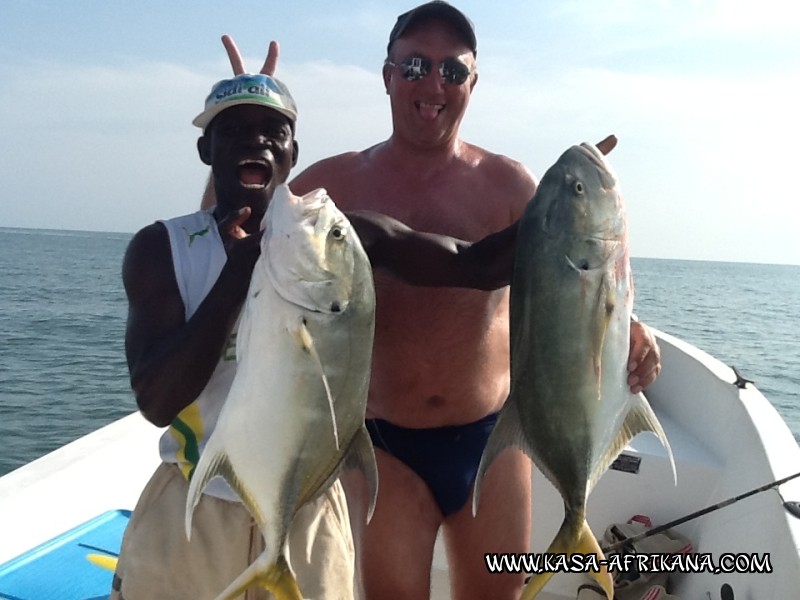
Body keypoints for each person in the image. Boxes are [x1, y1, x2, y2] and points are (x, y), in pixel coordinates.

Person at [115, 47, 530, 600]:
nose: (256, 141)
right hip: (193, 503)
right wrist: (235, 280)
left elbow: (475, 264)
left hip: (308, 508)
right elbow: (156, 400)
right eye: (233, 129)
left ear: (292, 154)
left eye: (273, 131)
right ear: (204, 148)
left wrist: (569, 206)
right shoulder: (161, 249)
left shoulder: (340, 236)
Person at [288, 3, 661, 600]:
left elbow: (576, 284)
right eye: (415, 65)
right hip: (386, 443)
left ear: (473, 83)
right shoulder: (333, 185)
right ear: (387, 75)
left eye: (452, 71)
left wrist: (631, 332)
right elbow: (248, 233)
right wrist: (249, 112)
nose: (433, 84)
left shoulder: (512, 186)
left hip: (496, 436)